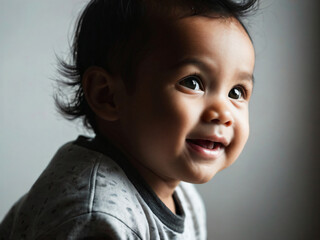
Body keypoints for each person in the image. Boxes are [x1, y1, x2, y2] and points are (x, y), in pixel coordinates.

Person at [0, 0, 258, 239]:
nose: (222, 113)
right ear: (108, 95)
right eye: (192, 82)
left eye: (236, 92)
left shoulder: (183, 194)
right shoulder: (97, 216)